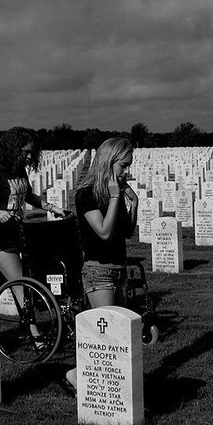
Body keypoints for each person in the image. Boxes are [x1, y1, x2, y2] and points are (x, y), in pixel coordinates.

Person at [64, 137, 138, 392]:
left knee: (119, 335)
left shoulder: (114, 192)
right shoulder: (87, 194)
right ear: (109, 161)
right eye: (124, 165)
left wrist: (134, 202)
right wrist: (115, 199)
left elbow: (127, 232)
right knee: (104, 334)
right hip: (98, 271)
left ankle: (109, 383)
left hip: (119, 268)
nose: (126, 171)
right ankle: (76, 374)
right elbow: (104, 232)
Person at [0, 127, 67, 296]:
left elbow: (28, 195)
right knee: (22, 286)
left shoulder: (19, 169)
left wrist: (53, 208)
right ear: (13, 149)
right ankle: (31, 323)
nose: (30, 157)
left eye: (32, 152)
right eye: (26, 152)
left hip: (16, 233)